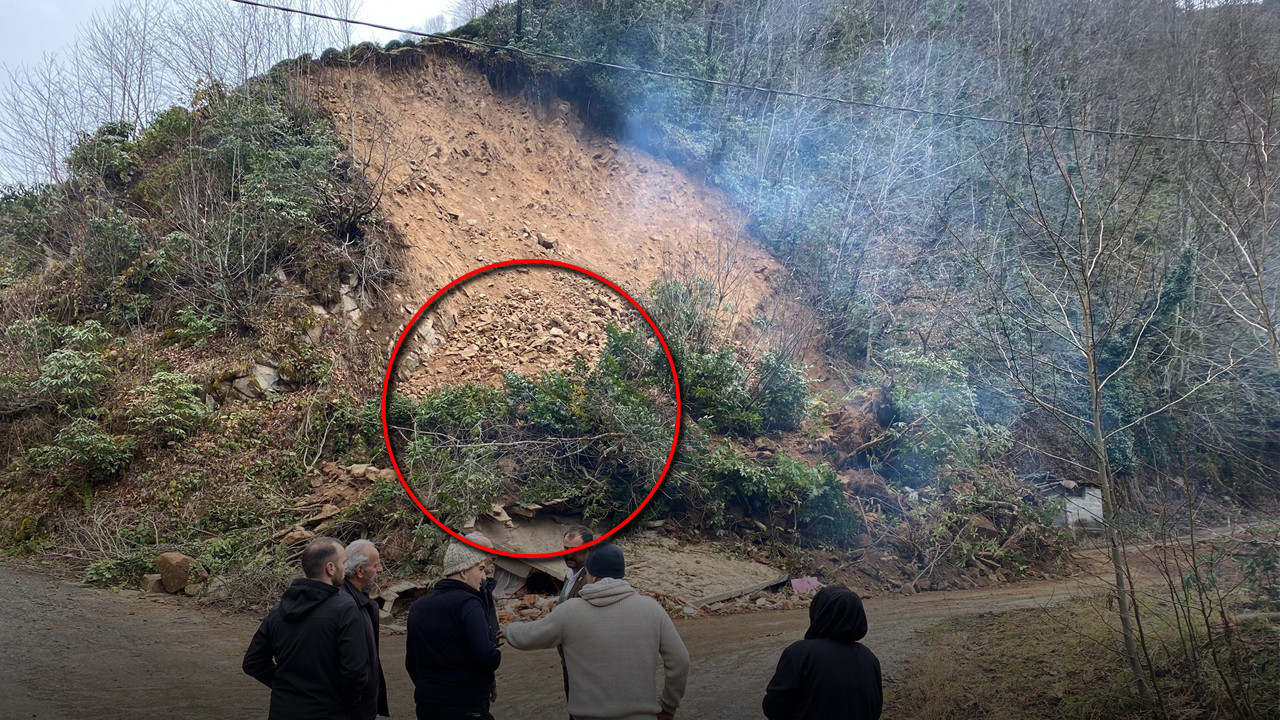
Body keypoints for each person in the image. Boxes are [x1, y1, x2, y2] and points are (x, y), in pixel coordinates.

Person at [504, 543, 690, 720]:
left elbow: (528, 637)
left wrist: (507, 630)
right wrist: (668, 706)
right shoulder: (652, 609)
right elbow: (680, 660)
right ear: (622, 573)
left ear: (589, 573)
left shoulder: (570, 611)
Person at [243, 537, 371, 720]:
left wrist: (284, 686)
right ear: (330, 568)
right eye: (343, 562)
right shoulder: (345, 609)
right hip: (329, 712)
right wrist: (344, 701)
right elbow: (355, 672)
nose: (346, 567)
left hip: (283, 711)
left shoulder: (278, 611)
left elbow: (253, 662)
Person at [405, 542, 502, 720]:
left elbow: (411, 661)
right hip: (466, 704)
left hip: (428, 705)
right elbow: (484, 655)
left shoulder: (418, 607)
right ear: (463, 572)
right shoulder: (469, 604)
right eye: (480, 569)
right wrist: (496, 654)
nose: (483, 577)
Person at [761, 585, 882, 720]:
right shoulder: (870, 659)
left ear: (820, 612)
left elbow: (773, 707)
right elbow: (875, 710)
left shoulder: (799, 654)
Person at [341, 539, 389, 720]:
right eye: (376, 565)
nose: (381, 569)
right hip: (353, 708)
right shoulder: (346, 607)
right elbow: (353, 666)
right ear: (360, 571)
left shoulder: (364, 602)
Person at [558, 526, 594, 603]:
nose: (569, 555)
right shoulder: (570, 574)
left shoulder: (591, 580)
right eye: (566, 549)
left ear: (589, 550)